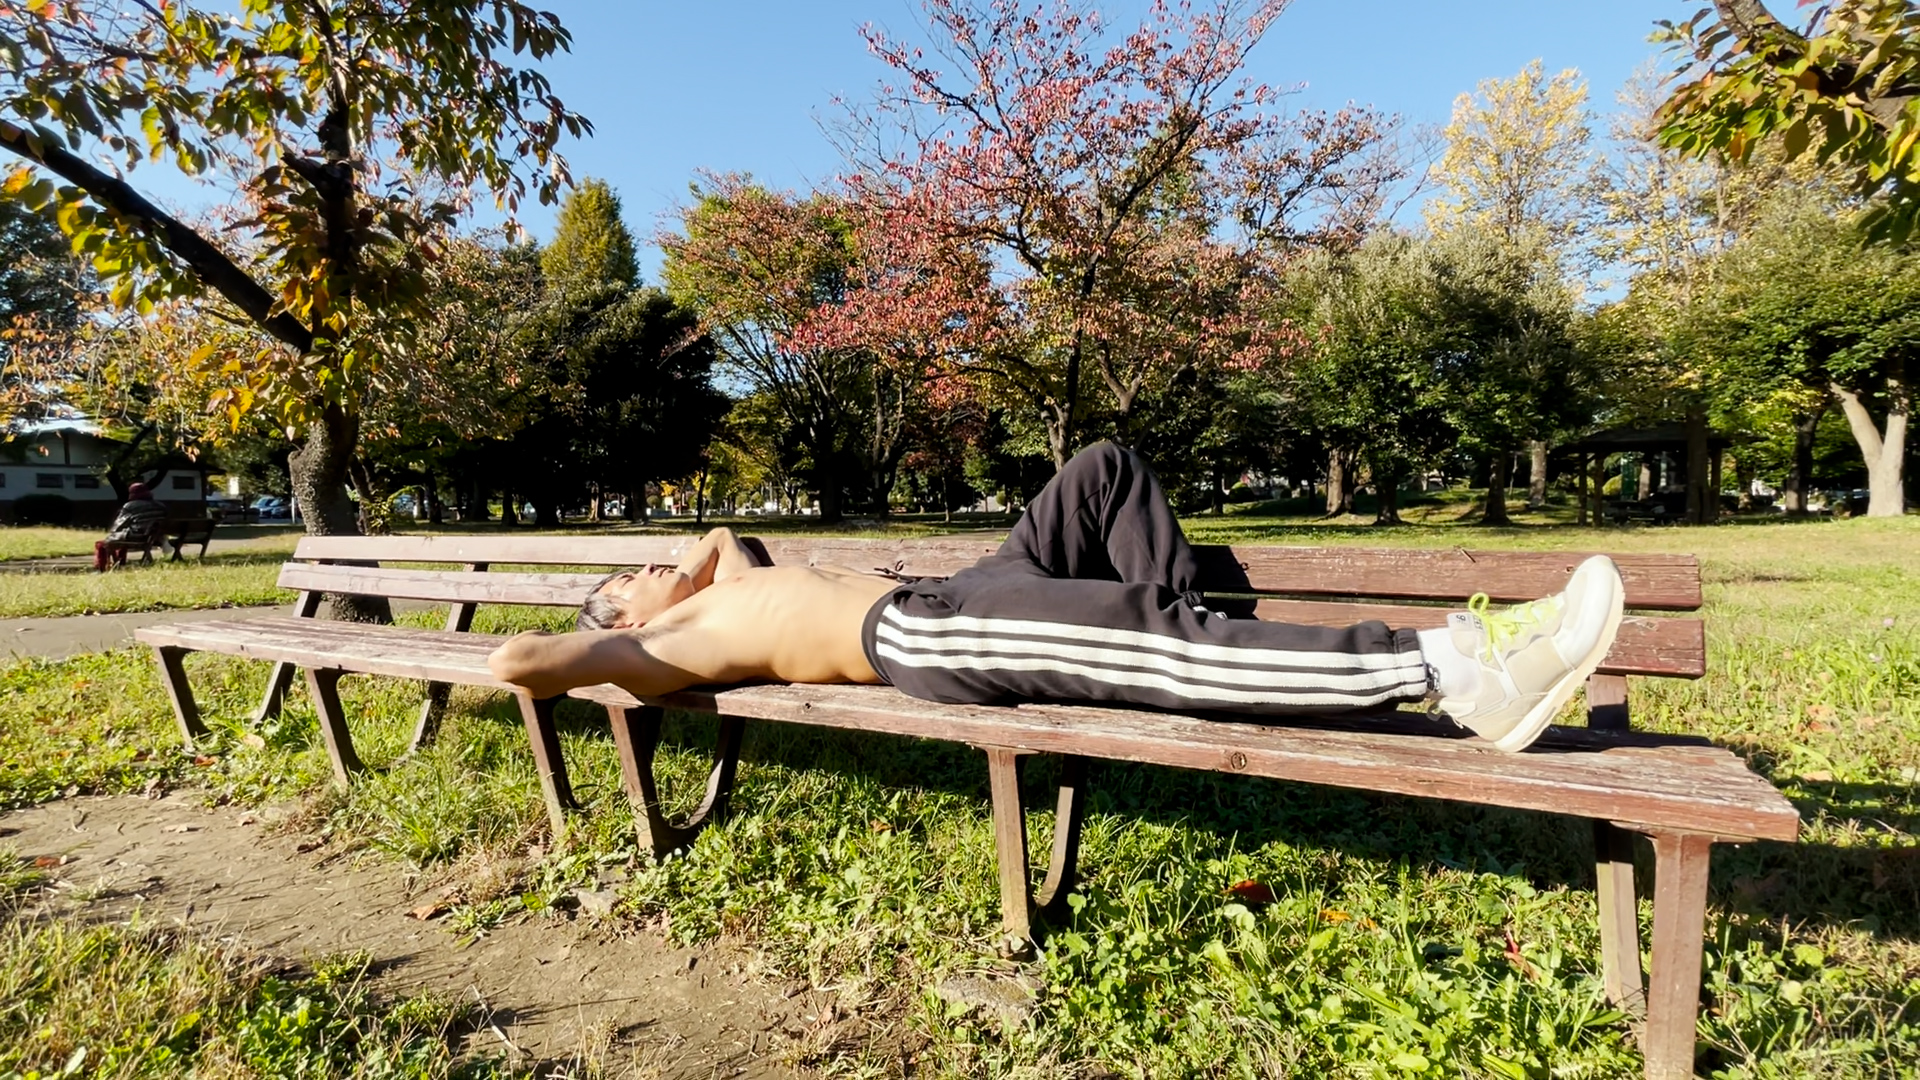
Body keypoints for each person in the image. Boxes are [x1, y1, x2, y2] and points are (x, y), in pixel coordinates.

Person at [488, 444, 1625, 753]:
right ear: (625, 617)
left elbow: (721, 535)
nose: (657, 564)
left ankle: (1207, 643)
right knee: (1149, 638)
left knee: (1103, 470)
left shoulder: (721, 579)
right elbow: (517, 668)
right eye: (628, 577)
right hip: (919, 635)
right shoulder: (658, 650)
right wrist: (616, 626)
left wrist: (681, 562)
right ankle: (1458, 670)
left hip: (965, 590)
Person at [94, 481, 168, 571]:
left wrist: (112, 533)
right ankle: (120, 564)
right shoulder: (160, 505)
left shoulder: (130, 506)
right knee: (122, 538)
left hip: (137, 536)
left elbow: (119, 524)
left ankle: (100, 569)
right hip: (155, 538)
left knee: (102, 544)